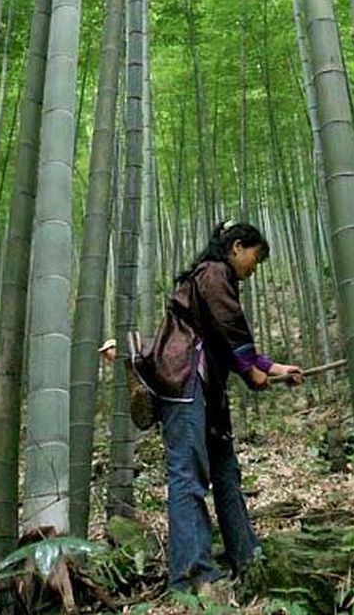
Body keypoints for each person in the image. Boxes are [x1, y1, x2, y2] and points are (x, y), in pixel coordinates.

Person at [141, 222, 302, 593]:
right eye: (254, 258)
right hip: (183, 378)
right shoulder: (214, 273)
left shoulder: (215, 280)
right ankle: (192, 574)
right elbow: (230, 327)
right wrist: (250, 369)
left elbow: (230, 338)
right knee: (187, 473)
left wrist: (273, 369)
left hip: (207, 387)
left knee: (226, 473)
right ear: (237, 247)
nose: (253, 268)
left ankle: (248, 558)